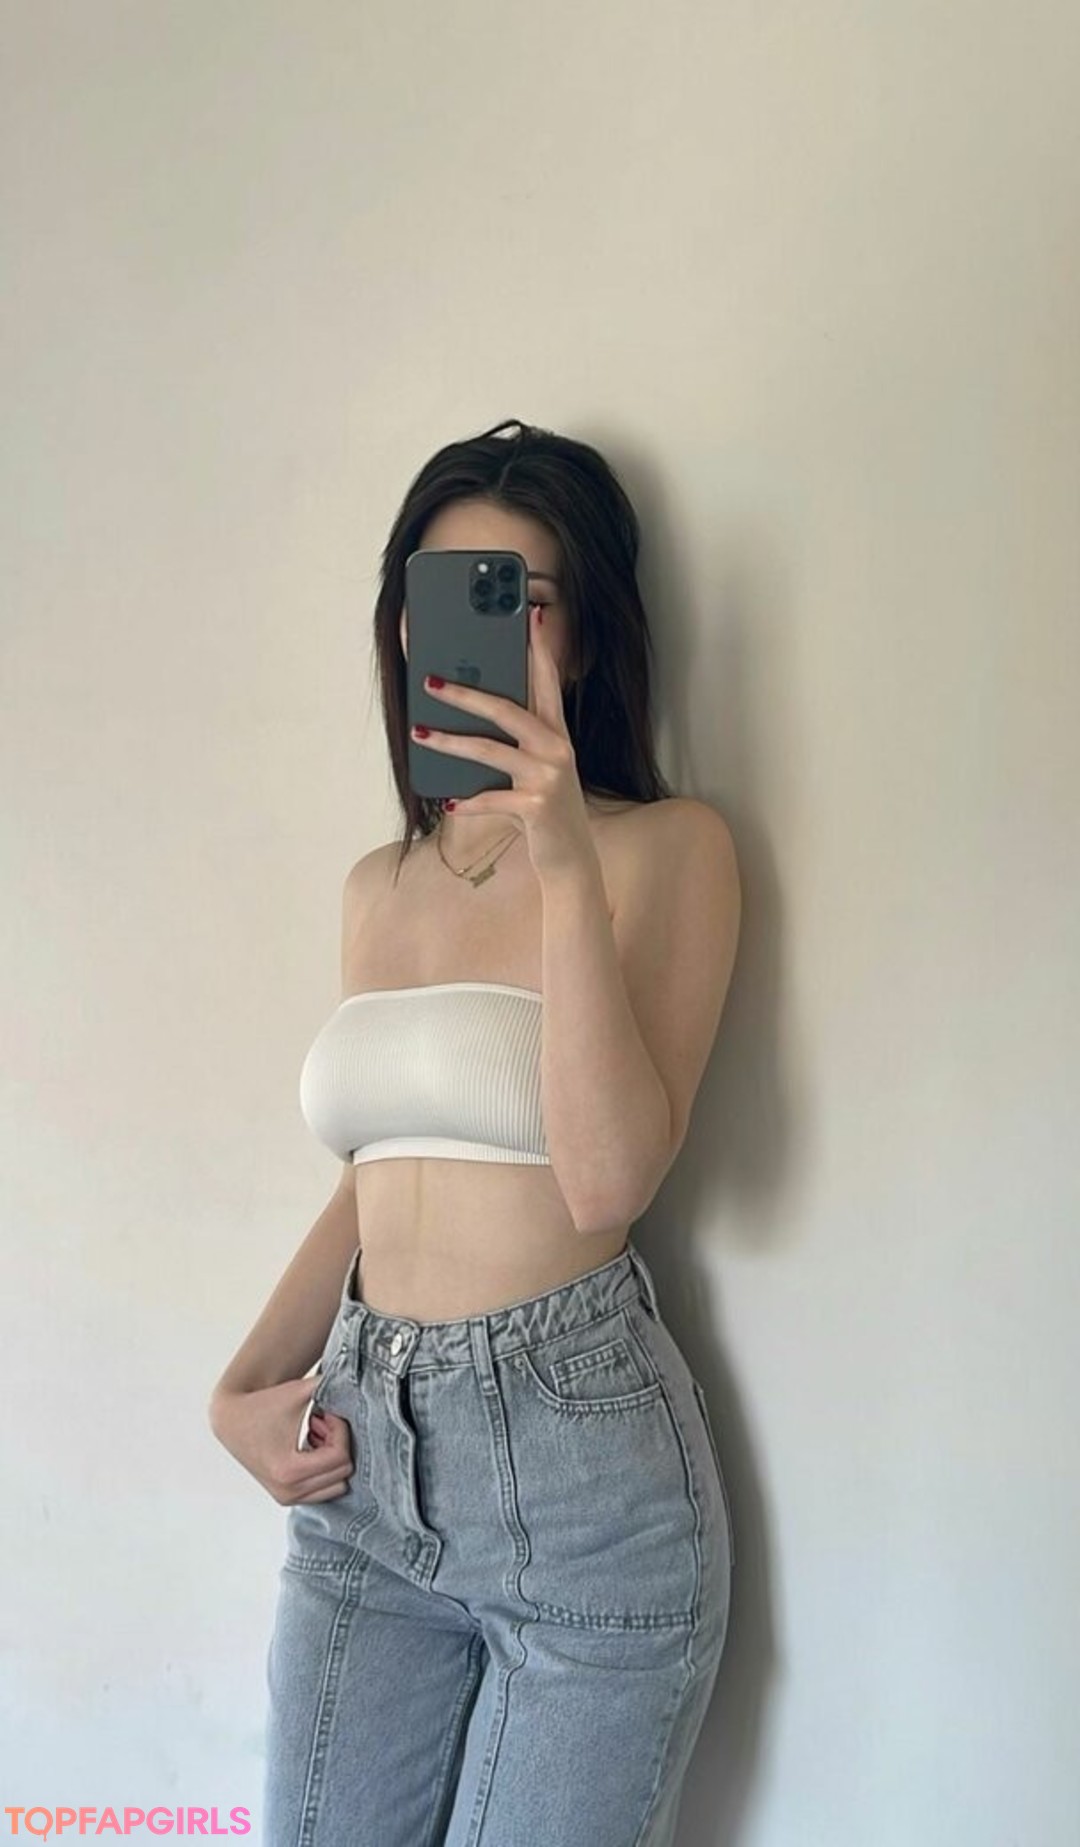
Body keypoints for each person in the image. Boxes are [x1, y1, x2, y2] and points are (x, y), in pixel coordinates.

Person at [208, 417, 741, 1846]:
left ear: (586, 637)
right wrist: (242, 1386)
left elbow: (608, 1178)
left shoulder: (669, 850)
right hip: (366, 1466)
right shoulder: (377, 886)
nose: (480, 633)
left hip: (582, 1478)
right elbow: (377, 1176)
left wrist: (564, 863)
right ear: (403, 627)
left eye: (525, 598)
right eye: (445, 595)